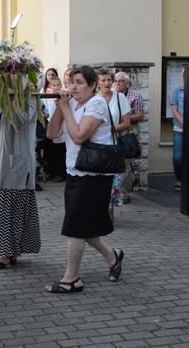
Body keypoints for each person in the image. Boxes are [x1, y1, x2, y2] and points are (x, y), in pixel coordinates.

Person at [45, 66, 124, 294]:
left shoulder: (97, 103)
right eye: (72, 82)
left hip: (94, 175)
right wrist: (61, 107)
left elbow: (79, 136)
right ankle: (113, 256)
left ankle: (72, 279)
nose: (74, 87)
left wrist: (65, 109)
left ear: (92, 85)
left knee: (75, 227)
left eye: (80, 83)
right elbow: (52, 134)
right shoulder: (71, 103)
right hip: (75, 171)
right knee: (82, 226)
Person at [0, 95, 41, 270]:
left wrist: (9, 98)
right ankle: (10, 250)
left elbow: (20, 120)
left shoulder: (31, 97)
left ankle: (6, 253)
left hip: (16, 160)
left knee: (10, 207)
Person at [97, 68, 131, 222]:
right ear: (97, 82)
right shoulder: (93, 99)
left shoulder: (120, 98)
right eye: (103, 80)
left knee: (114, 180)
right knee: (96, 179)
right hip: (96, 146)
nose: (106, 83)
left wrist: (110, 130)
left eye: (109, 80)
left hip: (114, 146)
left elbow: (126, 122)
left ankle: (109, 208)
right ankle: (98, 209)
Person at [43, 76, 66, 182]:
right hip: (50, 125)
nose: (56, 87)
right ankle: (51, 172)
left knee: (60, 152)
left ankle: (60, 173)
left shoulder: (64, 95)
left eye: (58, 85)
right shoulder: (47, 96)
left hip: (62, 126)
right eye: (54, 85)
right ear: (50, 86)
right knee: (51, 152)